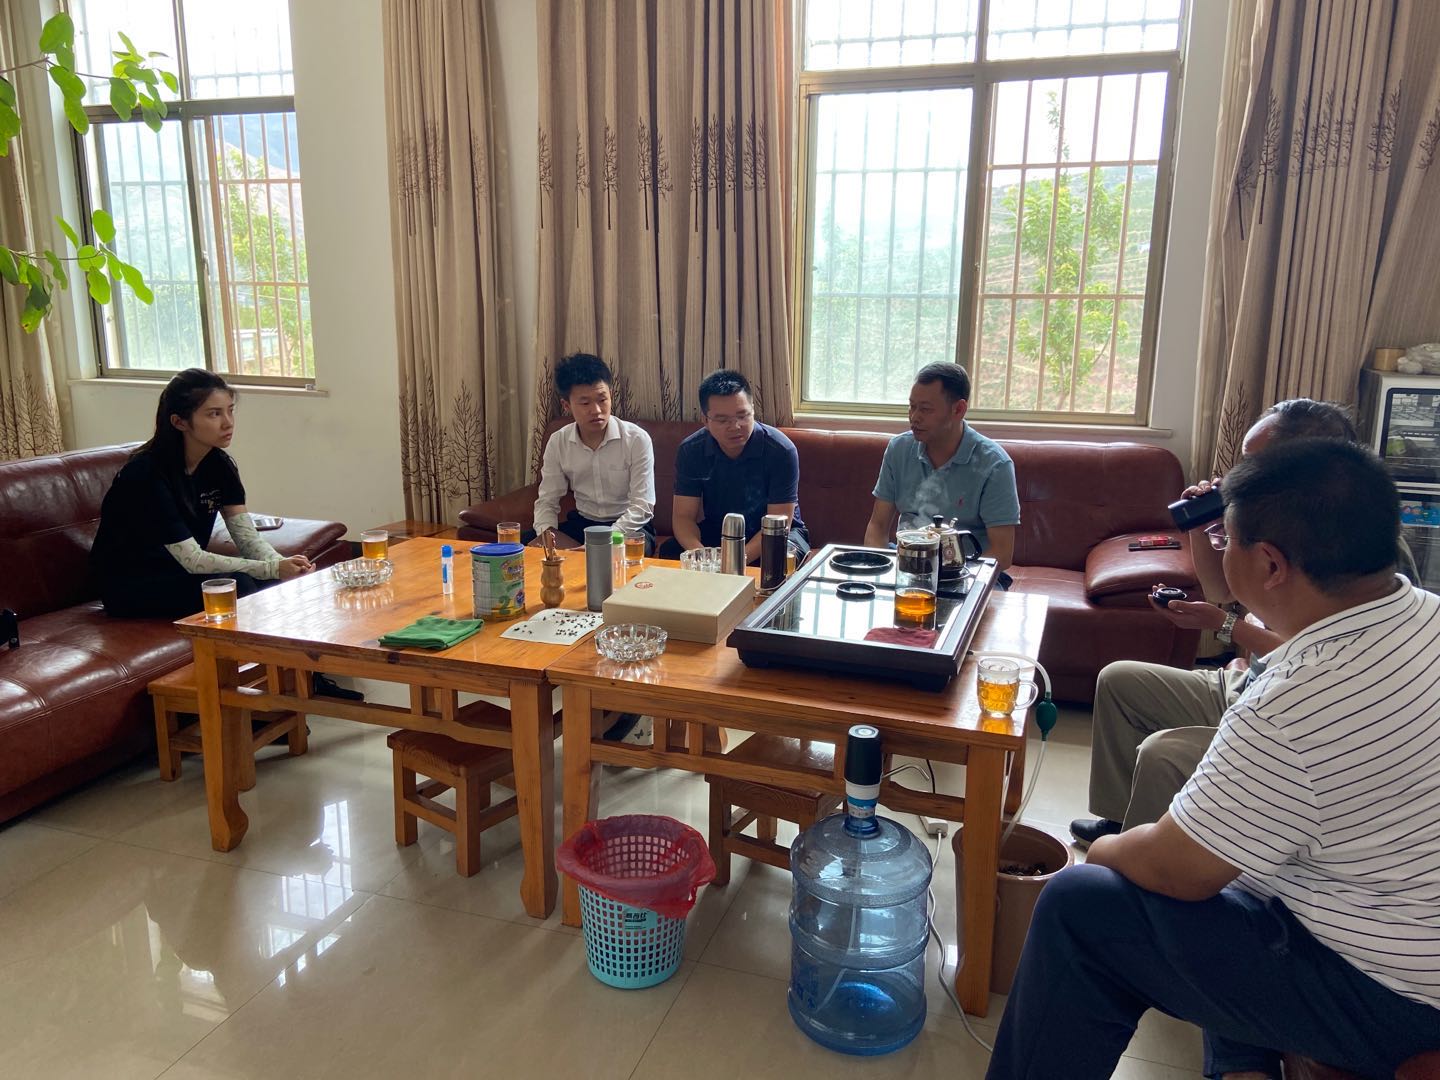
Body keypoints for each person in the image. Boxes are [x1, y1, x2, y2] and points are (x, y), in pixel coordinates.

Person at [987, 439, 1440, 1080]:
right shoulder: (1424, 615)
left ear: (1271, 564)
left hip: (1393, 998)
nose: (1221, 554)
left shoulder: (1295, 701)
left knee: (1080, 905)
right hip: (1401, 933)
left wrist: (1105, 848)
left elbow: (1175, 870)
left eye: (1227, 542)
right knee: (1237, 867)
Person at [1070, 399, 1400, 846]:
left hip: (1292, 705)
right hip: (1253, 681)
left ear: (1302, 470)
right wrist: (1205, 527)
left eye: (1250, 463)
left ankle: (1138, 859)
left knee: (1163, 753)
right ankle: (1119, 818)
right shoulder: (1274, 527)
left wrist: (1227, 628)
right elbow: (1219, 590)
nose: (1235, 474)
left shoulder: (1347, 551)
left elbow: (1317, 662)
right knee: (1119, 680)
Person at [91, 369, 358, 699]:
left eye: (230, 410)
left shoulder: (219, 464)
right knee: (239, 585)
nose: (228, 422)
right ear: (179, 422)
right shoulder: (146, 474)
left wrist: (284, 565)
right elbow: (192, 560)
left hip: (178, 575)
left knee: (278, 582)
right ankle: (248, 700)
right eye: (214, 414)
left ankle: (302, 681)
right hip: (130, 585)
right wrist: (271, 568)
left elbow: (246, 537)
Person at [862, 362, 1019, 570]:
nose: (914, 417)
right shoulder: (898, 449)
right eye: (912, 406)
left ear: (959, 409)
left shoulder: (995, 464)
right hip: (908, 562)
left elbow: (1002, 553)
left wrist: (947, 577)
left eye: (926, 409)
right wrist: (878, 569)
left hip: (970, 570)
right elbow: (878, 526)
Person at [660, 369, 808, 563]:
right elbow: (683, 517)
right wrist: (702, 557)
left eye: (742, 416)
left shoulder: (780, 450)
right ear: (705, 420)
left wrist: (735, 562)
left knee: (778, 559)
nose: (735, 426)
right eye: (722, 420)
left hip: (778, 533)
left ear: (753, 409)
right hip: (722, 530)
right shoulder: (691, 450)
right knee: (672, 551)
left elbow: (780, 521)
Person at [531, 352, 656, 553]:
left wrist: (603, 541)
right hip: (583, 523)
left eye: (602, 399)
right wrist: (547, 536)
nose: (596, 410)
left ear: (611, 396)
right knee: (527, 546)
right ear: (566, 405)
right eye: (585, 403)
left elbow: (642, 506)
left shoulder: (636, 439)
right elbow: (547, 500)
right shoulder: (559, 442)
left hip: (629, 527)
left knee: (622, 554)